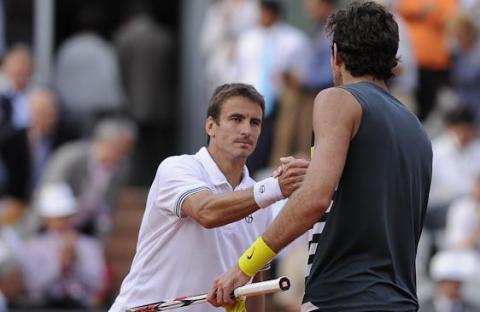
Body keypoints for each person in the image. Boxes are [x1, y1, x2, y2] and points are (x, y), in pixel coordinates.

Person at [208, 2, 432, 312]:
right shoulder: (416, 128)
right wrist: (311, 171)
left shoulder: (337, 99)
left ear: (337, 54)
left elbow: (315, 199)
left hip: (343, 299)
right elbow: (366, 190)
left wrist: (244, 266)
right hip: (400, 302)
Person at [108, 83, 308, 312]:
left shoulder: (262, 197)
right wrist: (276, 189)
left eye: (255, 123)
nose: (246, 130)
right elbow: (206, 211)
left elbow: (255, 284)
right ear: (211, 126)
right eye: (236, 119)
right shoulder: (176, 168)